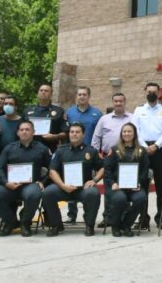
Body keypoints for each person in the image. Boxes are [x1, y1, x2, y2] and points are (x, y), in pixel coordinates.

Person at [0, 120, 51, 237]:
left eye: (27, 129)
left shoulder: (42, 149)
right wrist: (6, 183)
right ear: (17, 133)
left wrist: (43, 182)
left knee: (34, 194)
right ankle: (10, 221)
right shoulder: (9, 148)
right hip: (10, 185)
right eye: (22, 130)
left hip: (31, 184)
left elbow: (52, 169)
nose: (24, 132)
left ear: (33, 132)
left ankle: (25, 223)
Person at [41, 122, 104, 237]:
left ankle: (89, 225)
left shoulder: (91, 151)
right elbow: (52, 171)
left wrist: (94, 181)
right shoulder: (60, 150)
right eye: (72, 132)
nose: (74, 134)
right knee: (48, 193)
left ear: (83, 135)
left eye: (77, 132)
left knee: (93, 193)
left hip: (83, 188)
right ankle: (56, 225)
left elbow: (102, 168)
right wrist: (62, 185)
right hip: (63, 187)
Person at [132, 82, 162, 229]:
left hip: (160, 150)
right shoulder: (138, 110)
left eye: (154, 92)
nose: (151, 94)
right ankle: (143, 218)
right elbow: (136, 130)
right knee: (143, 185)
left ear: (159, 93)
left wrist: (156, 145)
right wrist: (145, 146)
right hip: (143, 150)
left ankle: (161, 218)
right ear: (145, 92)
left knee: (161, 186)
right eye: (149, 91)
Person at [92, 92, 134, 228]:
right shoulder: (104, 119)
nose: (118, 103)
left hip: (127, 158)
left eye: (121, 101)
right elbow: (96, 137)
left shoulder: (133, 118)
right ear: (112, 102)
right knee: (109, 187)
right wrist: (96, 153)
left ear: (125, 102)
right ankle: (108, 217)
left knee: (126, 186)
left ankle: (122, 216)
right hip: (108, 157)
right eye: (115, 101)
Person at [64, 86, 103, 223]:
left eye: (84, 94)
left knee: (88, 184)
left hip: (89, 154)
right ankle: (71, 214)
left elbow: (100, 134)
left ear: (89, 96)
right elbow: (65, 132)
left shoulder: (97, 113)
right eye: (79, 94)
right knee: (71, 180)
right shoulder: (69, 112)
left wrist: (98, 151)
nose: (81, 97)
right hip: (72, 152)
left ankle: (88, 214)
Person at [105, 122, 149, 237]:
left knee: (141, 198)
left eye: (129, 131)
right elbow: (107, 170)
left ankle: (126, 225)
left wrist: (139, 183)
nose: (127, 133)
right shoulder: (114, 150)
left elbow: (145, 170)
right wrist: (112, 183)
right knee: (120, 198)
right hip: (117, 187)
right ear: (121, 134)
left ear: (134, 134)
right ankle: (115, 225)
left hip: (135, 187)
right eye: (124, 131)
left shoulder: (141, 151)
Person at [24, 83, 67, 153]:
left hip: (50, 149)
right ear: (38, 93)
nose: (43, 92)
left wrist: (54, 136)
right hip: (29, 149)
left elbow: (65, 133)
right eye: (41, 90)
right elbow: (20, 130)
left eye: (46, 91)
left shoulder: (59, 111)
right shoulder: (28, 111)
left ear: (51, 95)